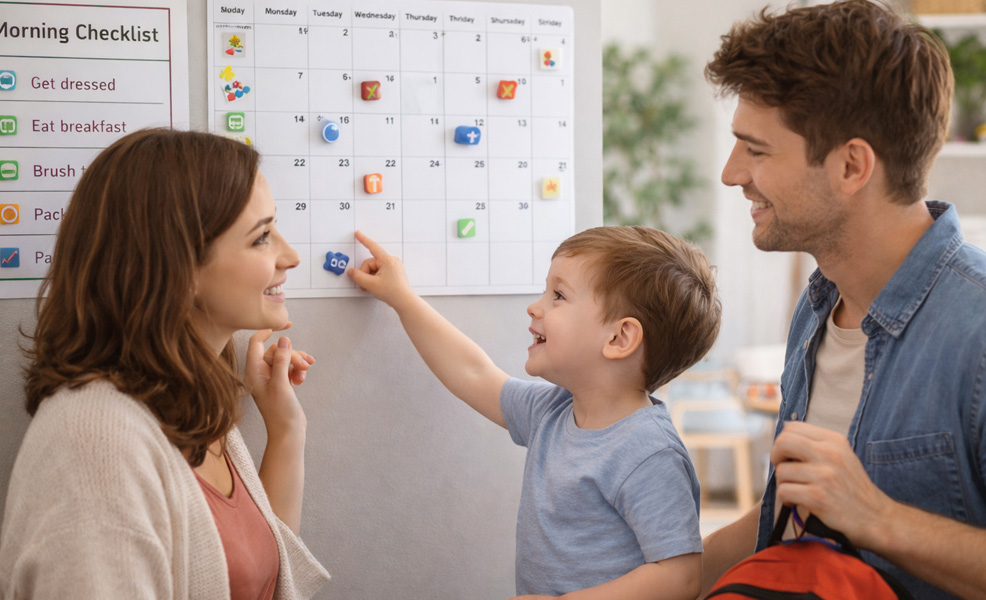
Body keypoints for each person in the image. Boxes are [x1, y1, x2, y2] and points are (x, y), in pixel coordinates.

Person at [701, 1, 986, 598]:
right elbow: (799, 525)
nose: (731, 174)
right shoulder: (818, 309)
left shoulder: (977, 331)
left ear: (852, 165)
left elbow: (855, 515)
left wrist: (878, 518)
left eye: (755, 150)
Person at [0, 129, 330, 598]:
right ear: (179, 266)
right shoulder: (95, 444)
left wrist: (287, 430)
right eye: (261, 238)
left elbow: (262, 576)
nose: (291, 256)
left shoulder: (188, 402)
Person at [348, 226, 721, 599]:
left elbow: (680, 578)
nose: (535, 306)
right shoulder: (553, 412)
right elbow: (473, 372)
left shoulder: (649, 454)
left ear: (618, 338)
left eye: (558, 295)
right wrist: (403, 299)